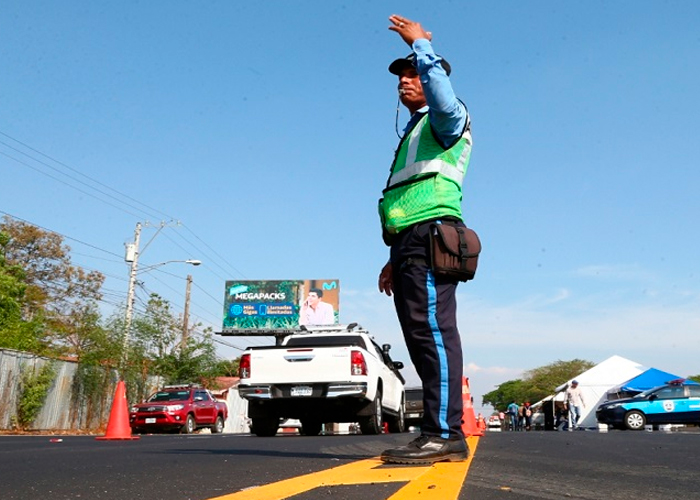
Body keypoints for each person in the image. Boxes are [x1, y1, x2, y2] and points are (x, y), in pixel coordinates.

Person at [377, 14, 472, 465]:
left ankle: (445, 433)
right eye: (402, 76)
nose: (405, 80)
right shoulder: (417, 131)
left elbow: (444, 102)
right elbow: (407, 194)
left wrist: (422, 48)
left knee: (434, 333)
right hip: (409, 243)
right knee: (420, 336)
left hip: (431, 238)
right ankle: (435, 430)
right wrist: (395, 254)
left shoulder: (447, 118)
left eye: (413, 74)